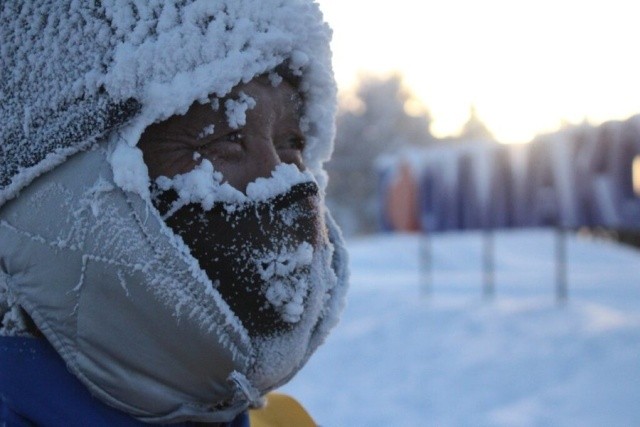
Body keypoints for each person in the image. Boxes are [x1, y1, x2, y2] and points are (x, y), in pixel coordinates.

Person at [0, 1, 348, 426]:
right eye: (226, 139)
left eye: (292, 141)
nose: (285, 180)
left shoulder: (286, 421)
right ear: (63, 185)